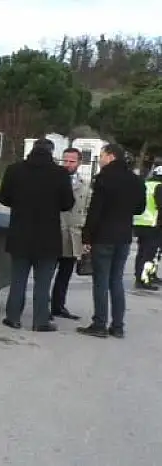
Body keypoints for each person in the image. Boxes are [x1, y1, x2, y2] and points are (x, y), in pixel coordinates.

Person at [0, 138, 75, 332]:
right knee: (43, 282)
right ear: (51, 152)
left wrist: (19, 203)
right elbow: (68, 204)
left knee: (18, 279)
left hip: (20, 233)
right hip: (48, 236)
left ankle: (13, 317)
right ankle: (40, 320)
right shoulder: (60, 174)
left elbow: (3, 198)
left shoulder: (14, 170)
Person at [78, 143, 146, 339]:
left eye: (102, 156)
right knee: (116, 280)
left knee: (101, 280)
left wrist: (87, 236)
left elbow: (95, 210)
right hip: (124, 236)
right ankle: (117, 326)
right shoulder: (136, 180)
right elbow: (140, 209)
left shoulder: (104, 179)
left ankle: (99, 323)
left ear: (111, 156)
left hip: (103, 236)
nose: (100, 159)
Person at [50, 148, 91, 321]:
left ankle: (58, 305)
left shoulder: (85, 184)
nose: (67, 164)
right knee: (47, 272)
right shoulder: (53, 180)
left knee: (65, 273)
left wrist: (87, 238)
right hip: (54, 232)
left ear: (79, 162)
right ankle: (42, 307)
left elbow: (88, 210)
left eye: (72, 161)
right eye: (65, 160)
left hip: (74, 234)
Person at [132, 165, 162, 290]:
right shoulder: (159, 187)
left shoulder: (146, 184)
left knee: (142, 252)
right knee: (149, 254)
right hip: (153, 224)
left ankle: (143, 276)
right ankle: (144, 280)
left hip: (140, 223)